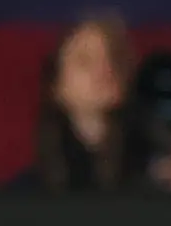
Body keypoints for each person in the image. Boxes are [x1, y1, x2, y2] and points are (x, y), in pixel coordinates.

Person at [23, 11, 141, 191]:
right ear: (56, 86)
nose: (104, 68)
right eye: (84, 61)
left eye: (112, 57)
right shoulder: (28, 192)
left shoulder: (156, 176)